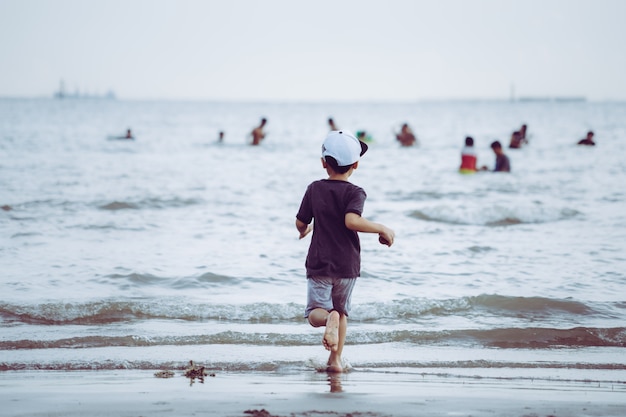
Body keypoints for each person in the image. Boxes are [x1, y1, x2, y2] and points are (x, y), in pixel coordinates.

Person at [295, 130, 395, 373]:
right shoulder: (355, 192)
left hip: (320, 263)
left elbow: (301, 221)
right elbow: (352, 220)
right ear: (356, 164)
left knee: (314, 313)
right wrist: (380, 228)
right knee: (342, 312)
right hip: (347, 265)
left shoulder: (314, 188)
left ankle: (327, 319)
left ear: (323, 163)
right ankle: (335, 360)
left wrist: (305, 229)